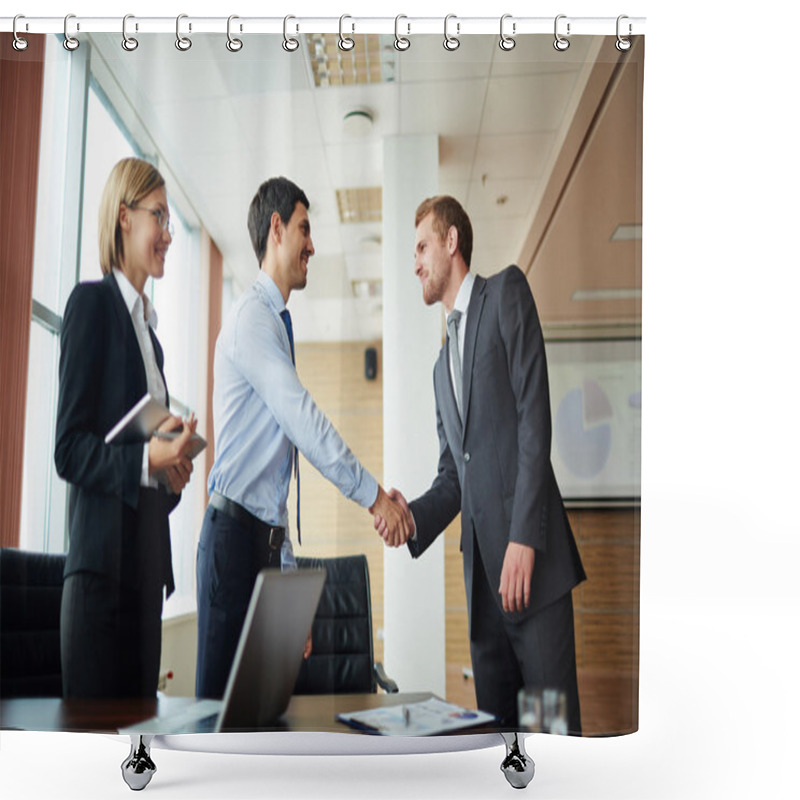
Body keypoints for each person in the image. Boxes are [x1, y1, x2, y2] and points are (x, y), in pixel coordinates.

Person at [375, 195, 586, 732]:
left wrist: (524, 538)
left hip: (532, 574)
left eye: (422, 246)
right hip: (485, 597)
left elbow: (535, 421)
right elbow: (456, 476)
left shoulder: (505, 293)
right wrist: (414, 516)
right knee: (499, 743)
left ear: (451, 241)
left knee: (550, 734)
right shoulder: (439, 367)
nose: (416, 261)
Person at [195, 176, 410, 699]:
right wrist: (376, 497)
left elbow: (274, 483)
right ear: (276, 229)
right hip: (231, 544)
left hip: (263, 546)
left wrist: (289, 590)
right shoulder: (253, 320)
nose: (312, 244)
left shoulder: (274, 324)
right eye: (304, 229)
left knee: (264, 713)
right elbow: (303, 421)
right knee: (221, 721)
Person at [55, 157, 198, 698]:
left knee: (138, 760)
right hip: (99, 585)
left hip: (144, 581)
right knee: (98, 766)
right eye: (158, 217)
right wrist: (148, 461)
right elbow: (68, 450)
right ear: (124, 218)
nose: (167, 234)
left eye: (168, 221)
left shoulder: (152, 342)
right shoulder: (89, 306)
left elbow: (146, 471)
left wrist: (170, 475)